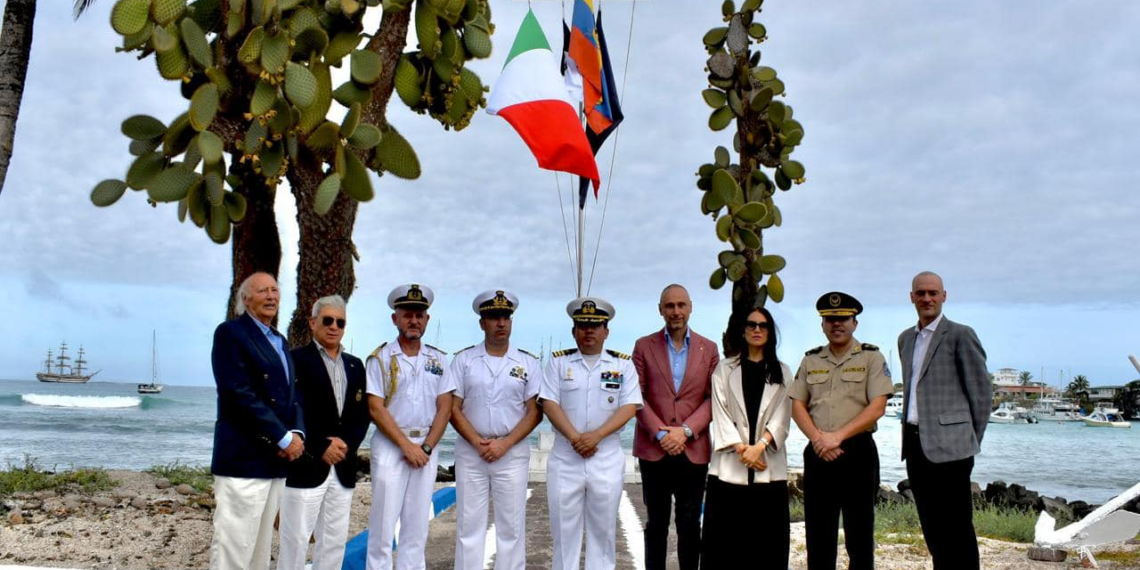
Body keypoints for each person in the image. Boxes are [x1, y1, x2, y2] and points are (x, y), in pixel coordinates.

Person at [208, 272, 305, 570]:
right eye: (262, 290)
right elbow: (239, 393)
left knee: (261, 552)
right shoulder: (231, 333)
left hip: (275, 461)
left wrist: (297, 432)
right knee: (234, 548)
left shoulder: (280, 340)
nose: (272, 296)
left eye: (275, 290)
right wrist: (284, 438)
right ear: (246, 299)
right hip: (243, 459)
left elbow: (293, 394)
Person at [790, 292, 893, 570]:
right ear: (823, 324)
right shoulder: (811, 360)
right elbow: (797, 404)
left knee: (859, 535)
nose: (837, 324)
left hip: (858, 453)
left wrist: (836, 437)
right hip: (819, 453)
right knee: (818, 534)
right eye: (830, 319)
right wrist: (818, 439)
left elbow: (877, 407)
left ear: (855, 323)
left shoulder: (872, 357)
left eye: (843, 319)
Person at [539, 297, 643, 570]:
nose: (589, 331)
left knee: (603, 532)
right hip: (565, 456)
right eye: (582, 325)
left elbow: (630, 406)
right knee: (563, 533)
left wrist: (595, 436)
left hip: (605, 456)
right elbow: (549, 402)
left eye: (595, 326)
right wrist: (575, 437)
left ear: (606, 332)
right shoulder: (558, 363)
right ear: (574, 331)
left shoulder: (623, 365)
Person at [899, 271, 991, 570]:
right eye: (921, 293)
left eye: (933, 293)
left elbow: (981, 395)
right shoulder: (905, 340)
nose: (927, 298)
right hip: (915, 443)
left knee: (958, 530)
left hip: (953, 448)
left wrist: (968, 440)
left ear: (943, 296)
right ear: (912, 296)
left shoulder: (961, 335)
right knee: (932, 528)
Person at [449, 290, 543, 570]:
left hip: (511, 454)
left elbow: (535, 411)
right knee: (469, 527)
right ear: (482, 323)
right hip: (470, 452)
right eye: (493, 318)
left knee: (511, 529)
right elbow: (452, 408)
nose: (501, 323)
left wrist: (505, 443)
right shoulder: (463, 360)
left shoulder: (528, 363)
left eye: (505, 317)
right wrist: (477, 442)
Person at [365, 284, 455, 570]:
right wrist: (407, 447)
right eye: (407, 315)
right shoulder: (380, 359)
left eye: (419, 315)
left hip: (427, 448)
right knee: (382, 526)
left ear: (427, 319)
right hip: (392, 446)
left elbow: (445, 406)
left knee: (417, 526)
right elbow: (375, 408)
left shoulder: (439, 360)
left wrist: (426, 447)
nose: (414, 320)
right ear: (395, 319)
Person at [279, 295, 370, 570]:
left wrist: (347, 444)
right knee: (295, 541)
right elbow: (291, 411)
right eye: (327, 320)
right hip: (305, 465)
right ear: (312, 322)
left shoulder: (355, 365)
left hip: (342, 465)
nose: (334, 327)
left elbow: (362, 414)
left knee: (333, 542)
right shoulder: (294, 360)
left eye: (340, 322)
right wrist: (320, 447)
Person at [631, 284, 718, 570]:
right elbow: (636, 396)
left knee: (690, 523)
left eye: (681, 305)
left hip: (692, 448)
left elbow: (712, 398)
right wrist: (660, 433)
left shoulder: (709, 349)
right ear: (660, 310)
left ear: (690, 307)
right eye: (670, 306)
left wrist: (686, 431)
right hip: (653, 449)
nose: (676, 312)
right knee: (655, 523)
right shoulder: (644, 346)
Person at [701, 306, 792, 570]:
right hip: (729, 469)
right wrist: (743, 449)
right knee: (724, 549)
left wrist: (760, 446)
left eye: (762, 326)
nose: (756, 330)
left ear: (770, 332)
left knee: (767, 549)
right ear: (743, 330)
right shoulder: (724, 370)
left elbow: (783, 417)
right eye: (751, 325)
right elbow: (720, 413)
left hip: (768, 469)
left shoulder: (783, 372)